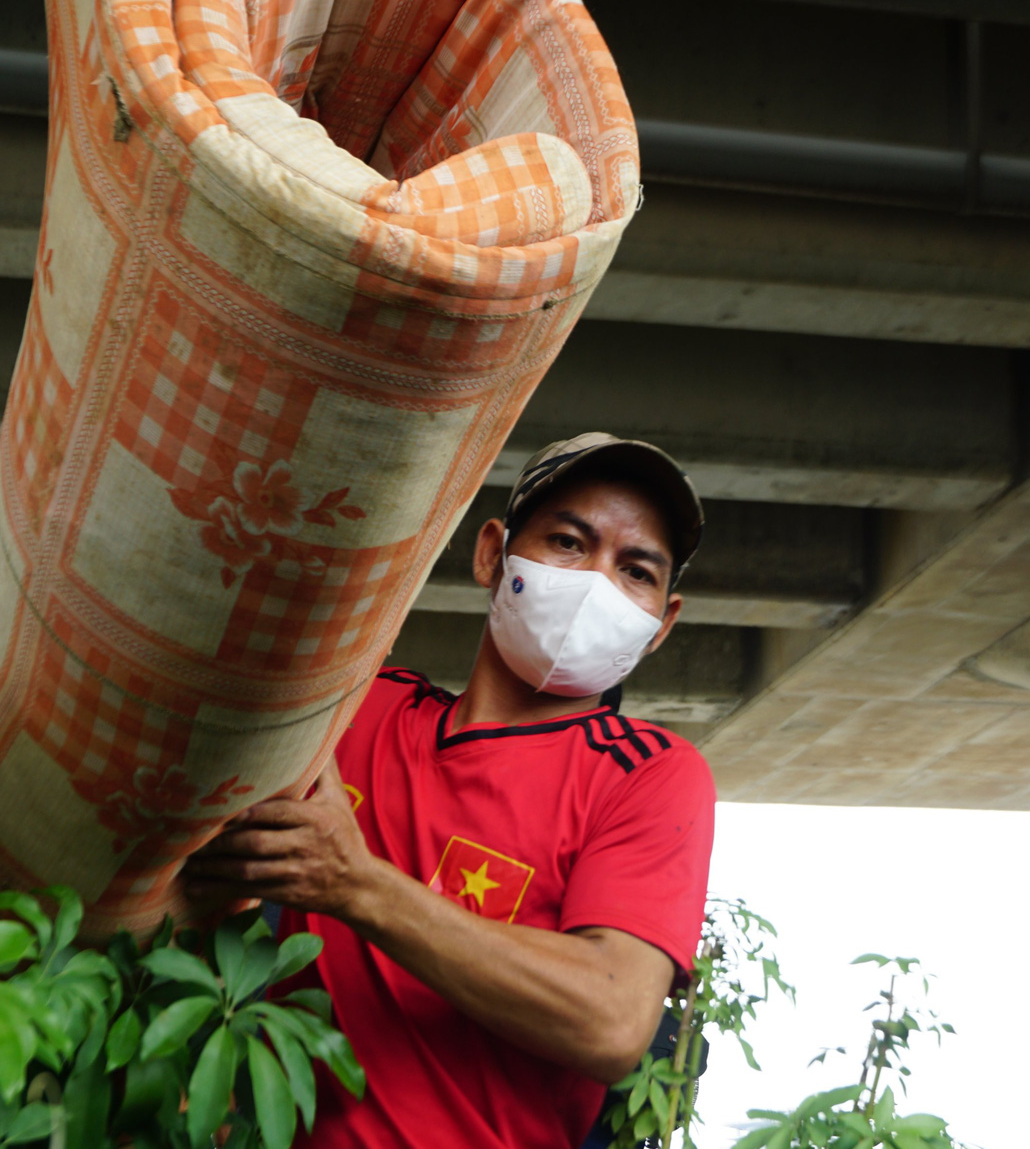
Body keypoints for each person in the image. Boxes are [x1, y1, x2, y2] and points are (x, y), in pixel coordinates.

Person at [184, 433, 718, 1149]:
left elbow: (613, 1017)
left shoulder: (648, 775)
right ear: (492, 555)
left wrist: (356, 885)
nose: (596, 582)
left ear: (662, 625)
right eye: (567, 542)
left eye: (635, 572)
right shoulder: (353, 706)